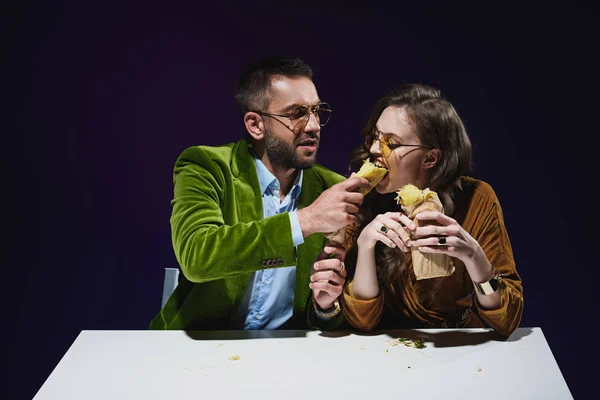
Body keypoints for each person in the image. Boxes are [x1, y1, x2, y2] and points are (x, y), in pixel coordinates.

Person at [150, 56, 369, 330]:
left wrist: (325, 308)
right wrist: (306, 221)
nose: (313, 125)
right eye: (297, 113)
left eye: (316, 111)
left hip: (282, 357)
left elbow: (328, 316)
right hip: (199, 352)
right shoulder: (206, 166)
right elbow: (197, 257)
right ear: (256, 125)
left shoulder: (331, 189)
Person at [341, 84, 523, 336]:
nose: (373, 149)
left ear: (430, 158)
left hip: (453, 345)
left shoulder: (476, 198)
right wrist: (365, 246)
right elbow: (361, 322)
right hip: (380, 347)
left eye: (390, 143)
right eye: (375, 137)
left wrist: (474, 257)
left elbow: (507, 321)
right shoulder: (359, 197)